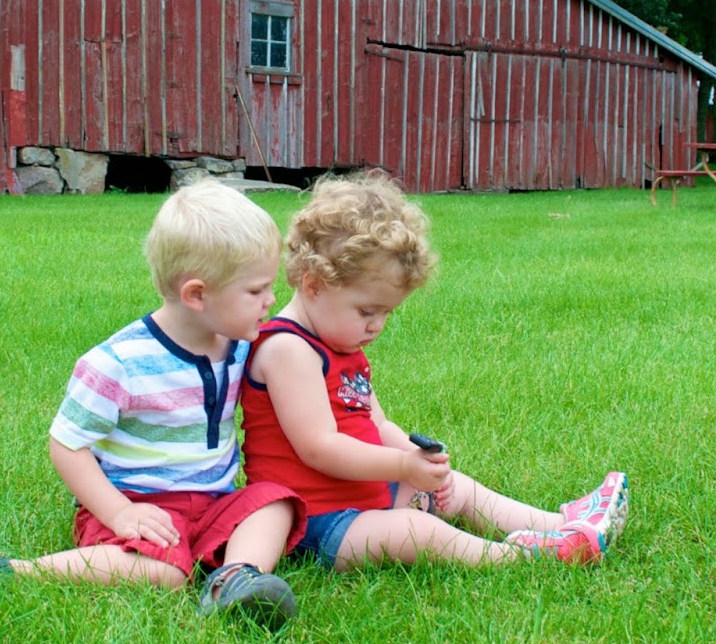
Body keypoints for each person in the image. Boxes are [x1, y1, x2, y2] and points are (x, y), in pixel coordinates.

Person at [0, 178, 306, 629]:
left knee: (276, 502)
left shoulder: (241, 345)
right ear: (197, 295)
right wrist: (119, 512)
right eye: (256, 291)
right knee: (165, 574)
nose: (271, 300)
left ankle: (235, 578)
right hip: (138, 502)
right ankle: (15, 572)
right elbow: (66, 445)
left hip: (215, 501)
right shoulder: (119, 363)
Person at [241, 169, 628, 573]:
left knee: (458, 489)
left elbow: (376, 424)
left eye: (387, 313)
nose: (377, 326)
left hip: (363, 498)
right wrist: (402, 467)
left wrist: (417, 461)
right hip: (315, 521)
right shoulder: (288, 349)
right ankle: (521, 557)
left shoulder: (340, 342)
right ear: (314, 285)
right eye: (367, 311)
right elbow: (320, 447)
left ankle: (562, 525)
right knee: (418, 531)